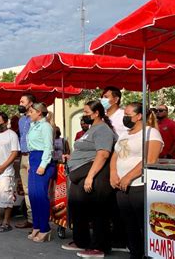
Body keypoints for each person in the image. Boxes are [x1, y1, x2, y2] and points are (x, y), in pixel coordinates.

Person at [61, 100, 117, 258]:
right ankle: (81, 240)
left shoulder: (103, 129)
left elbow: (103, 154)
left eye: (86, 112)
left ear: (96, 113)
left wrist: (90, 177)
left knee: (97, 212)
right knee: (79, 210)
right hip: (80, 174)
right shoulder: (91, 129)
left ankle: (100, 246)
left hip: (95, 175)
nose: (84, 115)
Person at [110, 102, 163, 259]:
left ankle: (147, 253)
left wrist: (129, 176)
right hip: (121, 185)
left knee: (142, 223)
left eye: (128, 115)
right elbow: (115, 155)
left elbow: (150, 159)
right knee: (128, 222)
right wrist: (113, 173)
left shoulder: (151, 133)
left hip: (139, 184)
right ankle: (135, 253)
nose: (125, 118)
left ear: (139, 116)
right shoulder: (125, 134)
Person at [100, 86, 128, 251]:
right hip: (103, 161)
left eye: (106, 96)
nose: (103, 99)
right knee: (106, 202)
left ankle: (121, 238)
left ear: (116, 99)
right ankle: (110, 234)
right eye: (102, 96)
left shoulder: (123, 115)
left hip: (119, 160)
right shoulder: (102, 117)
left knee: (118, 202)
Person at [25, 103, 55, 242]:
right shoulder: (33, 126)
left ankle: (45, 228)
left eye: (31, 111)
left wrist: (43, 165)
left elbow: (49, 147)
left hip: (43, 160)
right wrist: (32, 164)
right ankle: (36, 226)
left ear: (39, 113)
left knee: (40, 196)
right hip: (34, 159)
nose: (28, 114)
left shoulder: (46, 126)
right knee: (33, 196)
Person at [15, 93, 36, 229]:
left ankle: (37, 220)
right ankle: (30, 218)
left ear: (30, 104)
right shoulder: (21, 120)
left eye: (23, 102)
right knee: (26, 190)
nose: (20, 104)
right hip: (23, 155)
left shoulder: (36, 119)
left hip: (32, 156)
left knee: (33, 190)